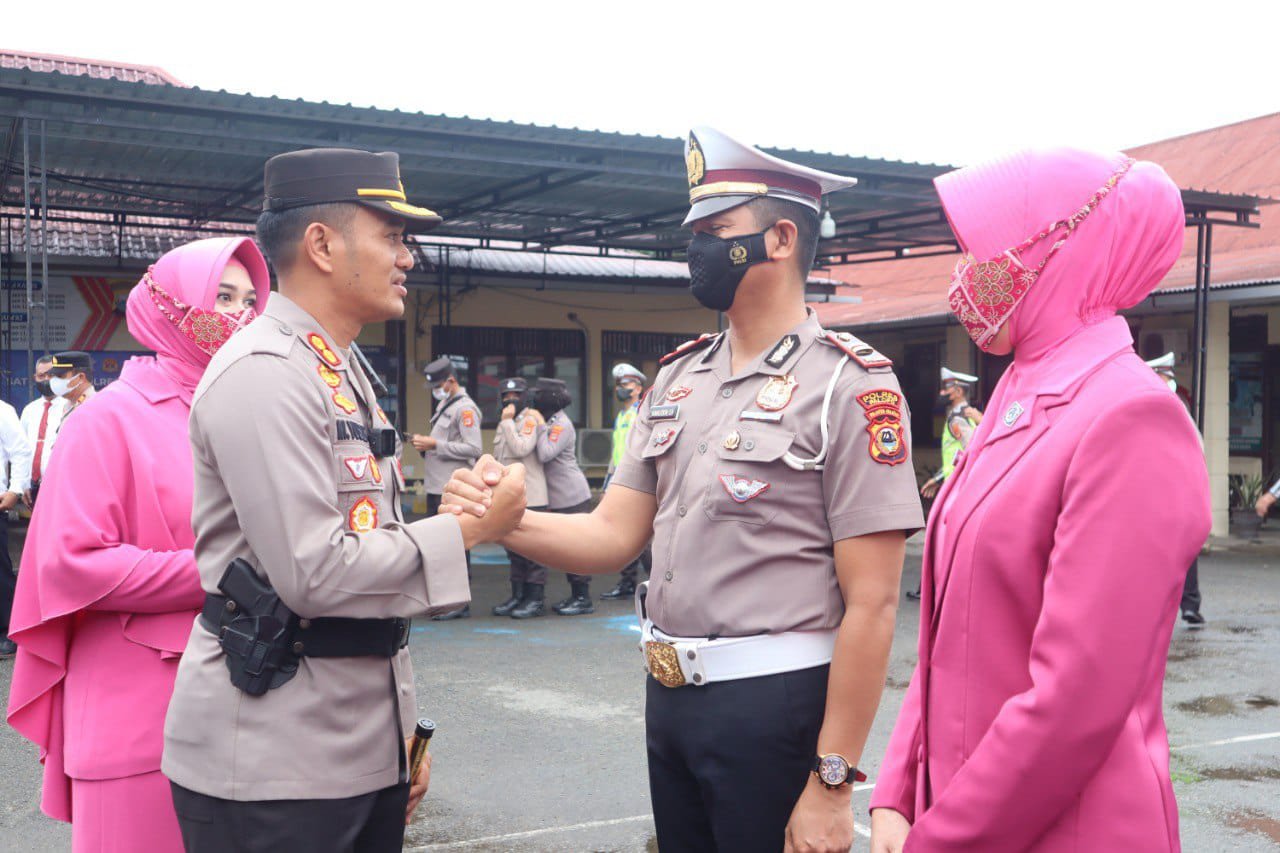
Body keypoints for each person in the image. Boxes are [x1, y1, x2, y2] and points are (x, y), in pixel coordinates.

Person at [442, 126, 923, 852]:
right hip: (669, 699)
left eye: (715, 231)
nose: (695, 247)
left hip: (776, 706)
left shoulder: (849, 387)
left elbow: (875, 603)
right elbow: (612, 534)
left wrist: (832, 781)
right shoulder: (677, 377)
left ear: (781, 238)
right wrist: (500, 518)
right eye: (694, 231)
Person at [160, 148, 524, 853]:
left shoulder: (336, 365)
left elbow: (368, 556)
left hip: (351, 746)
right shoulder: (266, 372)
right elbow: (315, 571)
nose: (408, 257)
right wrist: (463, 530)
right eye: (392, 236)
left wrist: (400, 736)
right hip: (273, 765)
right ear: (322, 245)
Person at [868, 148, 1211, 853]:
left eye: (980, 249)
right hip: (955, 813)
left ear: (1065, 248)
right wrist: (897, 792)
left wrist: (938, 839)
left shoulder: (1131, 416)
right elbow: (942, 642)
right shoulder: (1017, 391)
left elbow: (1074, 700)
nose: (964, 272)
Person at [5, 237, 269, 851]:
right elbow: (71, 563)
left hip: (252, 703)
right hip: (136, 710)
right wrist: (226, 571)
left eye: (250, 301)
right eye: (222, 297)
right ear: (169, 305)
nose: (239, 315)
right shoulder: (109, 419)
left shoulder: (251, 413)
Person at [413, 355, 482, 621]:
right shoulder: (445, 404)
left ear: (451, 381)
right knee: (441, 546)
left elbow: (474, 448)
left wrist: (435, 445)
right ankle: (445, 600)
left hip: (453, 488)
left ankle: (459, 603)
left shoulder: (465, 409)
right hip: (436, 486)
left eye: (438, 385)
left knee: (456, 545)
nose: (435, 391)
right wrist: (425, 446)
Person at [907, 368, 981, 601]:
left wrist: (938, 479)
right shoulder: (960, 415)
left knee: (943, 534)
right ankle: (930, 587)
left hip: (958, 487)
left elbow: (971, 450)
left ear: (958, 391)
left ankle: (937, 588)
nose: (942, 392)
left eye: (947, 388)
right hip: (956, 484)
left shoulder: (958, 418)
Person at [1146, 352, 1205, 626]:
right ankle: (1186, 605)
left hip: (1168, 486)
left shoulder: (1165, 402)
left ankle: (1181, 604)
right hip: (1171, 486)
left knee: (1173, 546)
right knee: (1177, 546)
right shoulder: (1174, 402)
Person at [531, 377, 597, 616]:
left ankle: (583, 598)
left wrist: (539, 426)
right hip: (560, 495)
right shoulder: (552, 421)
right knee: (567, 549)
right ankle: (576, 595)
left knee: (576, 548)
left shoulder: (561, 424)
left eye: (539, 394)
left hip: (571, 495)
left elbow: (545, 453)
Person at [491, 376, 551, 618]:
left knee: (534, 551)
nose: (510, 400)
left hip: (532, 496)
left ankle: (535, 600)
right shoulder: (506, 421)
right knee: (514, 549)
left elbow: (522, 448)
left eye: (515, 395)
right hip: (509, 495)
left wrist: (506, 422)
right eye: (506, 396)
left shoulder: (529, 420)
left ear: (525, 397)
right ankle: (518, 596)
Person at [600, 362, 649, 601]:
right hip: (620, 480)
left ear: (638, 388)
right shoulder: (621, 416)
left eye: (626, 384)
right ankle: (627, 582)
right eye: (619, 384)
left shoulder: (642, 413)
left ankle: (657, 581)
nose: (621, 388)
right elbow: (616, 453)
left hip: (638, 481)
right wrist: (607, 483)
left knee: (644, 538)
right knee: (625, 532)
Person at [15, 355, 69, 509]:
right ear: (35, 378)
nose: (46, 379)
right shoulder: (29, 410)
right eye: (41, 376)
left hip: (60, 486)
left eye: (51, 375)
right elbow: (22, 450)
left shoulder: (71, 408)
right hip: (33, 487)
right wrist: (23, 483)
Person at [0, 397, 31, 659]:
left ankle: (7, 629)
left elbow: (20, 451)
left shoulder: (2, 411)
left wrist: (15, 489)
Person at [48, 351, 96, 416]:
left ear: (81, 377)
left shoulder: (94, 405)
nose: (54, 380)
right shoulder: (67, 405)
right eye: (53, 375)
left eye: (60, 376)